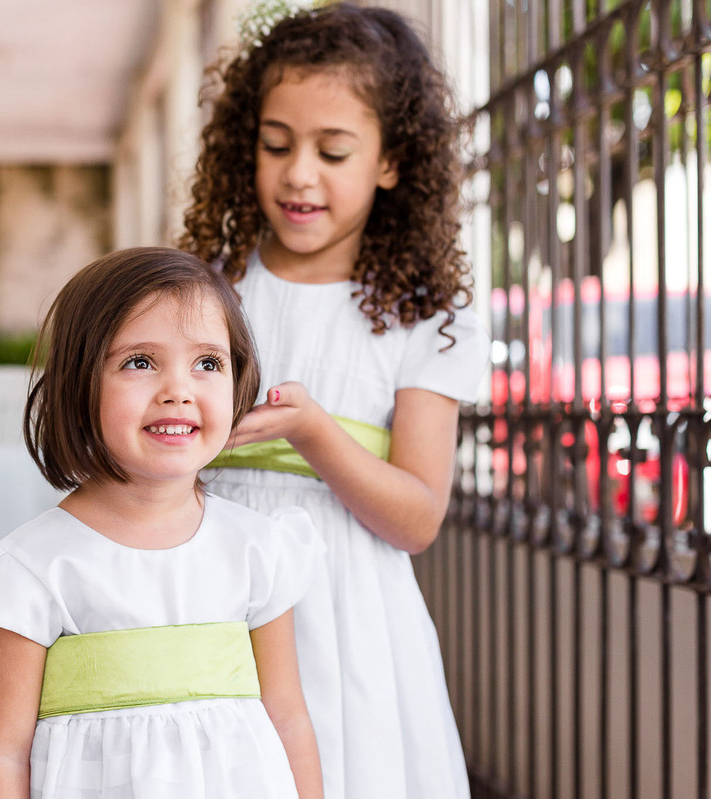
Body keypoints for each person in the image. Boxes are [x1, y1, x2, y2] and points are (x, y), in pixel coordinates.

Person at [178, 3, 490, 798]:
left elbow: (417, 517)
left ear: (391, 161)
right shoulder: (208, 286)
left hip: (350, 614)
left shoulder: (430, 316)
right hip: (210, 586)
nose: (298, 173)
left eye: (333, 149)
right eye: (275, 144)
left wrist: (315, 433)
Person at [0, 247, 325, 798]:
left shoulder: (257, 549)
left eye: (208, 363)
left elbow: (289, 720)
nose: (178, 390)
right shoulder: (31, 571)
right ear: (80, 384)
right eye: (140, 361)